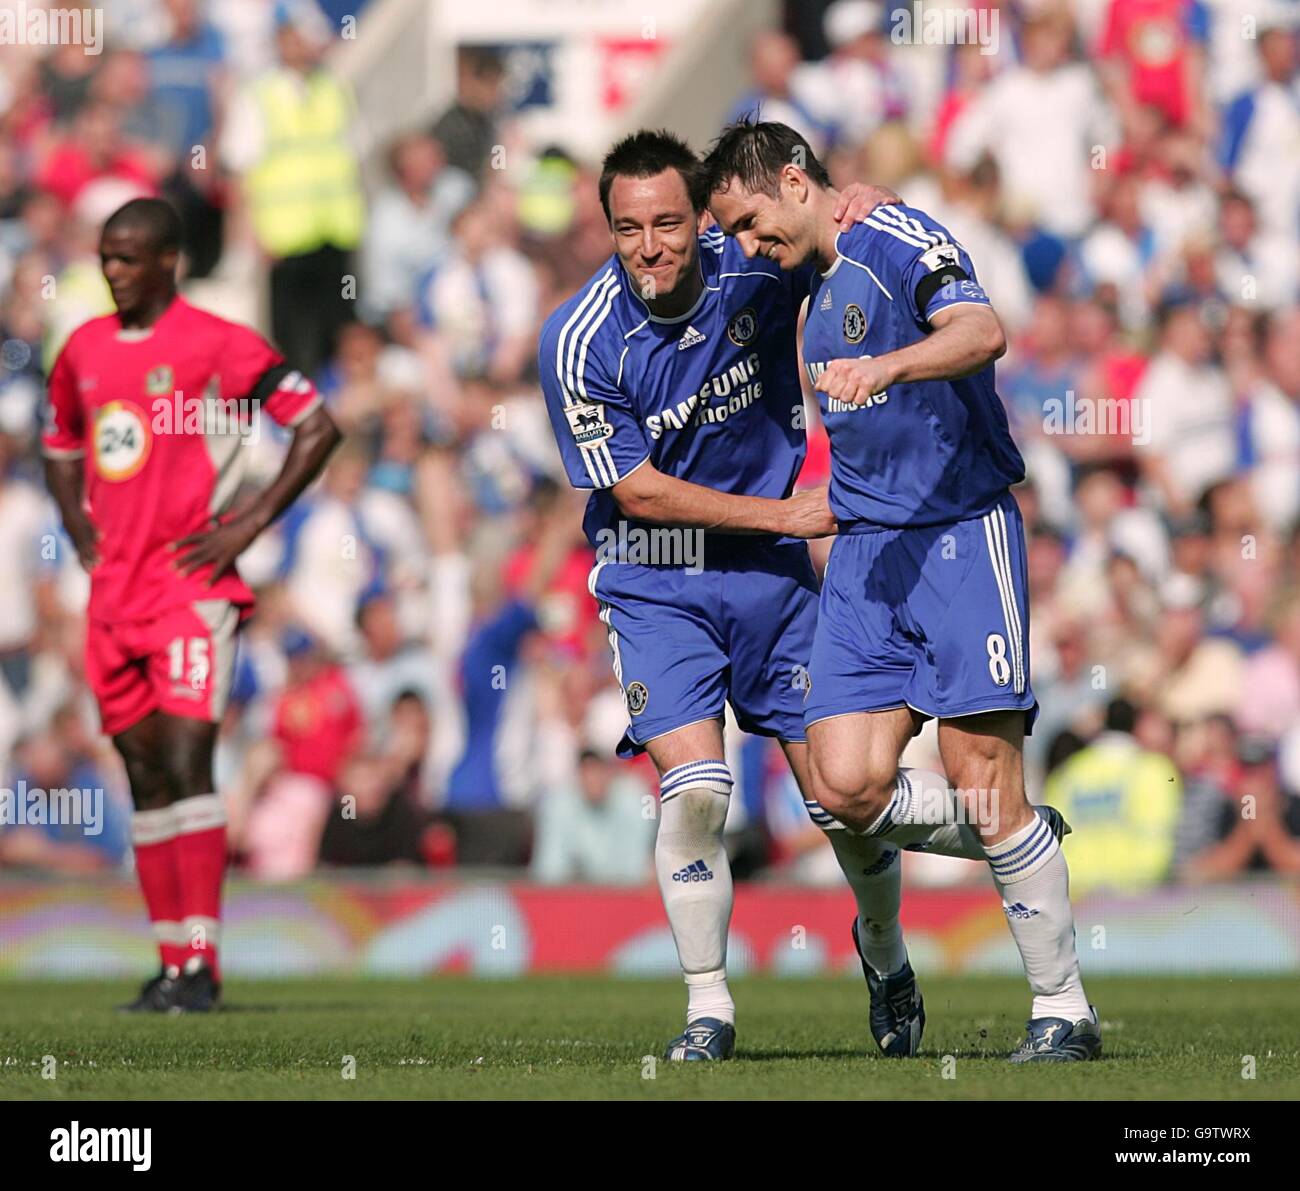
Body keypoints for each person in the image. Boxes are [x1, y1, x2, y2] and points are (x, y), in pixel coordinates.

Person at [539, 130, 1033, 1063]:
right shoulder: (578, 338)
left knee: (841, 796)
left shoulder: (757, 260)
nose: (650, 246)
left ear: (701, 220)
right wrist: (778, 511)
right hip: (655, 573)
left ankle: (885, 952)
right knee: (696, 792)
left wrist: (867, 198)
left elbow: (836, 239)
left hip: (771, 574)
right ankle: (708, 1009)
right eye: (627, 228)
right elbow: (635, 490)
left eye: (670, 224)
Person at [702, 120, 1097, 1062]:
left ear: (796, 181)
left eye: (756, 225)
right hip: (867, 554)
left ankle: (1064, 1008)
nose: (753, 249)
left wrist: (889, 362)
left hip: (961, 536)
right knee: (840, 784)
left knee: (978, 775)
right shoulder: (802, 262)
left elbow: (982, 328)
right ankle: (971, 876)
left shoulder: (901, 238)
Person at [41, 197, 341, 1012]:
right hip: (114, 598)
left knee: (185, 759)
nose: (112, 272)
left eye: (128, 258)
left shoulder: (218, 344)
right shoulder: (83, 349)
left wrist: (244, 524)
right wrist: (75, 524)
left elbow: (317, 427)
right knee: (142, 773)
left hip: (190, 589)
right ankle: (171, 960)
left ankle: (203, 959)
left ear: (168, 260)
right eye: (105, 257)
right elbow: (59, 443)